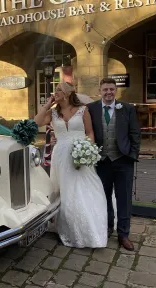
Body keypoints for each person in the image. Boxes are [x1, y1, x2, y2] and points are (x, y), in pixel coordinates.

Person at [34, 82, 108, 248]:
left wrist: (88, 152)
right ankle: (67, 226)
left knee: (84, 188)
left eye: (59, 90)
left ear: (67, 93)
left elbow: (89, 132)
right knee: (65, 190)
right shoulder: (53, 113)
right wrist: (47, 104)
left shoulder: (82, 110)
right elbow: (37, 121)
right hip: (61, 156)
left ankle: (90, 228)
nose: (56, 92)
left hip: (80, 154)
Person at [87, 78, 141, 251]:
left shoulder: (127, 109)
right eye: (105, 90)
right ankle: (108, 227)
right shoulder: (92, 108)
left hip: (123, 161)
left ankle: (123, 234)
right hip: (102, 162)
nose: (108, 92)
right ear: (100, 91)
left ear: (115, 91)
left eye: (111, 89)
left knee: (124, 198)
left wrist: (131, 155)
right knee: (104, 198)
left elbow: (135, 134)